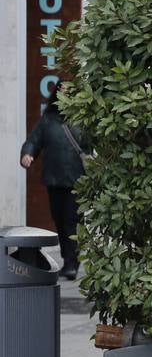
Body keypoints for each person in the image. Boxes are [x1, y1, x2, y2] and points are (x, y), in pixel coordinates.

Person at [19, 85, 85, 279]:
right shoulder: (47, 120)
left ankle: (72, 263)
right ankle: (68, 260)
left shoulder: (82, 119)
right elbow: (33, 140)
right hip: (54, 180)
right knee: (60, 221)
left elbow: (93, 144)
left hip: (77, 181)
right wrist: (27, 154)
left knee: (72, 222)